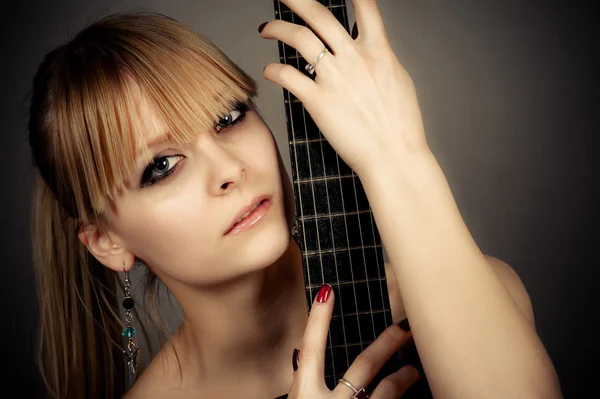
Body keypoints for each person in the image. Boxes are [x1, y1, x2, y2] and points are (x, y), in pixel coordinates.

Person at [27, 1, 563, 398]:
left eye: (230, 116)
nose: (230, 169)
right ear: (106, 241)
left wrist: (398, 153)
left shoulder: (460, 299)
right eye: (161, 166)